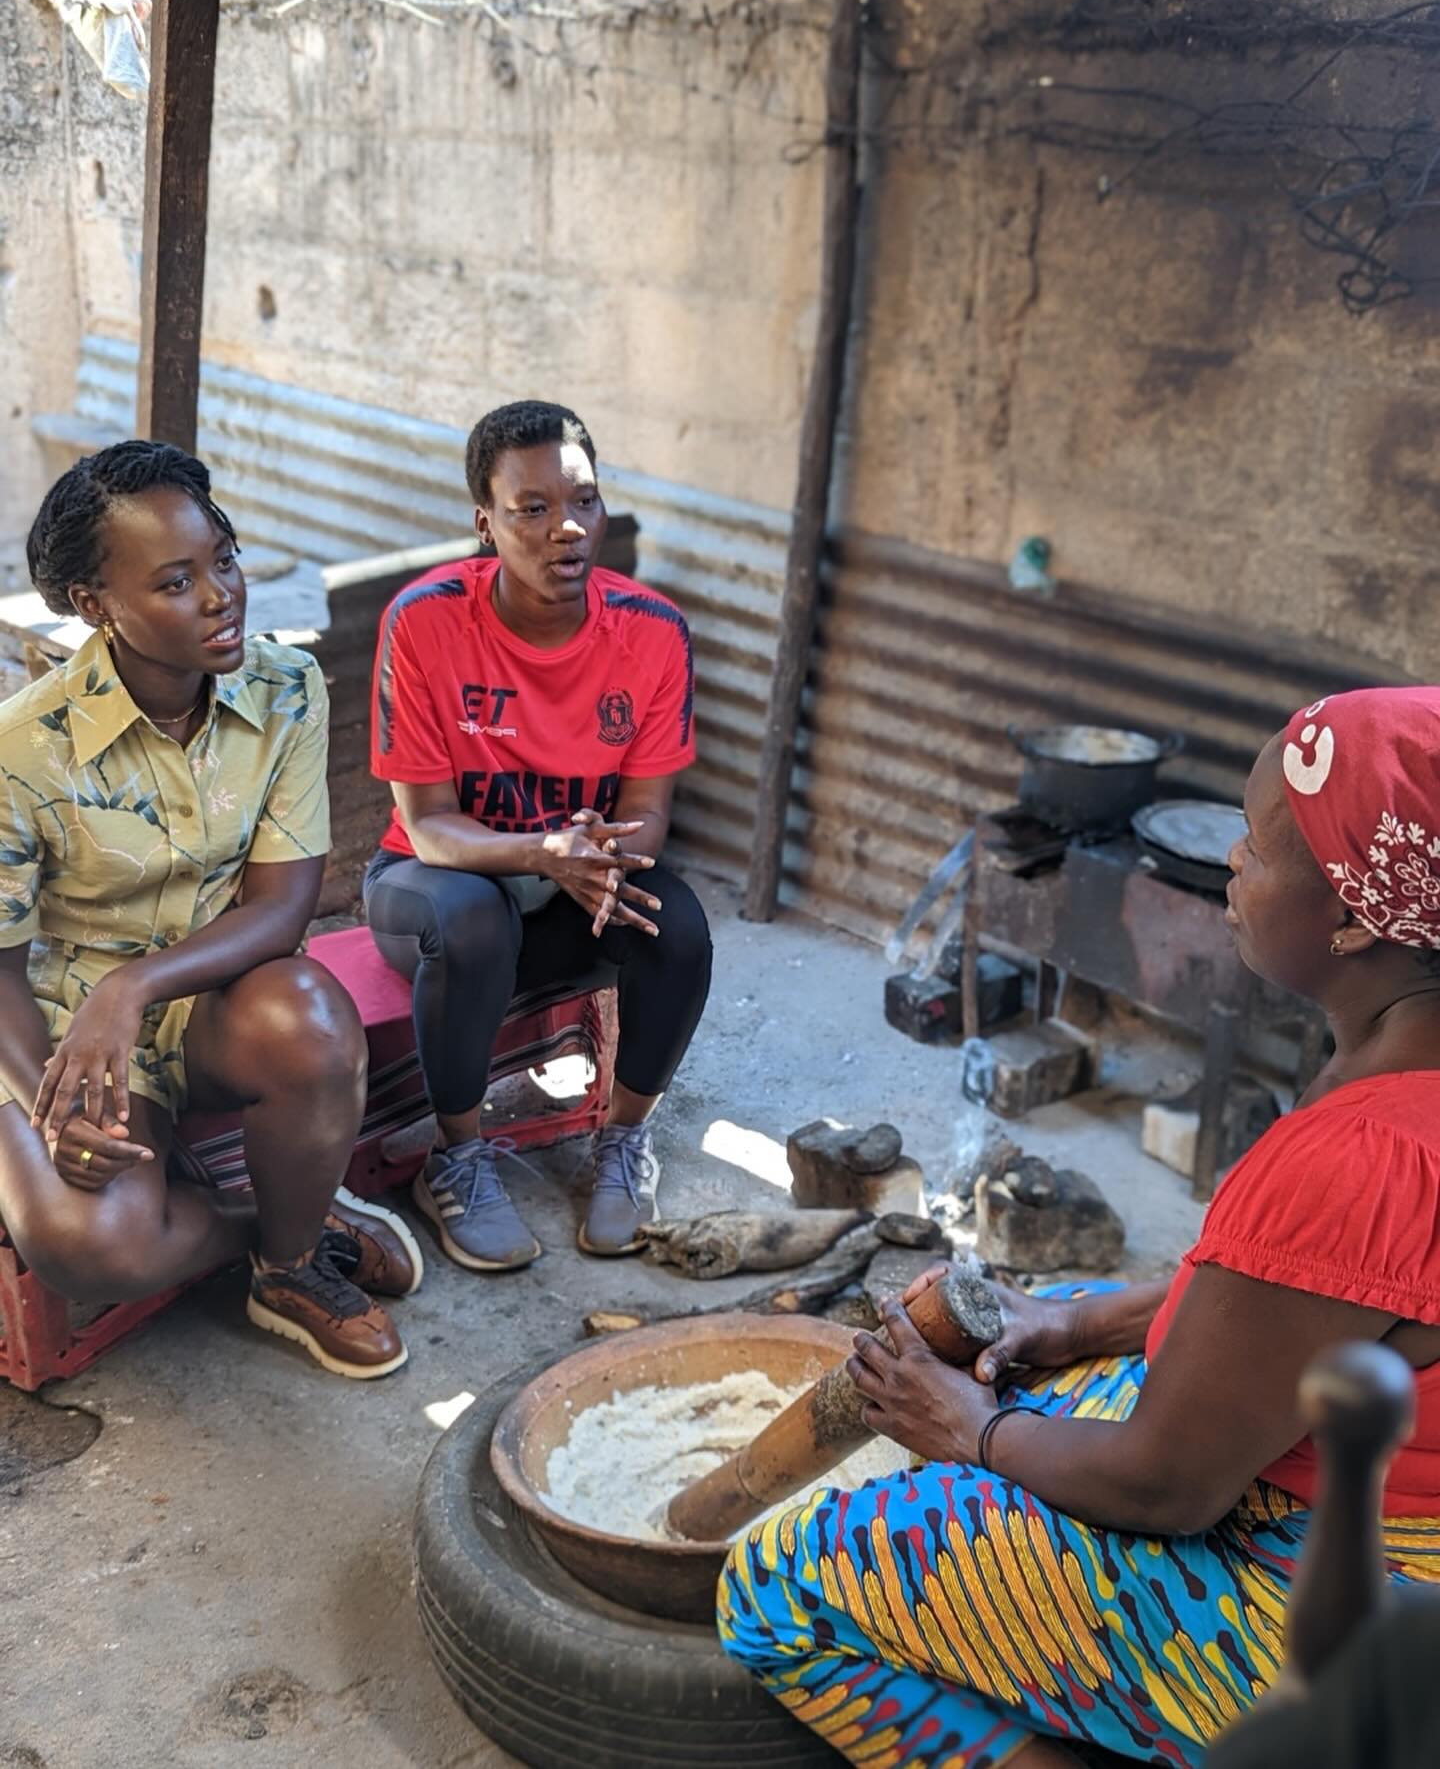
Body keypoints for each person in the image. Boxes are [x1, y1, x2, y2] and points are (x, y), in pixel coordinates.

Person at [720, 686, 1440, 1767]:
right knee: (1038, 1341)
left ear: (1356, 917)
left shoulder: (1358, 1157)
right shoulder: (1394, 1071)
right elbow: (1308, 1300)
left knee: (778, 1583)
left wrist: (974, 1430)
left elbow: (1171, 1486)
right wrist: (1081, 1323)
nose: (1233, 864)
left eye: (1258, 845)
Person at [0, 442, 420, 1379]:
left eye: (224, 561)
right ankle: (281, 1218)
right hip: (67, 1022)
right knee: (86, 1247)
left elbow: (282, 907)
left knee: (311, 1017)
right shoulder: (22, 749)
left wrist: (137, 987)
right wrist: (49, 1110)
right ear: (94, 605)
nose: (221, 595)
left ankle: (292, 1265)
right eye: (177, 581)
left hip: (209, 994)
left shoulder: (283, 691)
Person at [364, 400, 712, 1268]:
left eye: (584, 500)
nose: (566, 527)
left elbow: (649, 817)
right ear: (484, 523)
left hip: (569, 888)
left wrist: (603, 857)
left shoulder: (654, 633)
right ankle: (457, 1157)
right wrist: (542, 853)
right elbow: (430, 826)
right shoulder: (425, 620)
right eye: (531, 509)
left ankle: (623, 1141)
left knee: (678, 928)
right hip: (433, 886)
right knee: (474, 919)